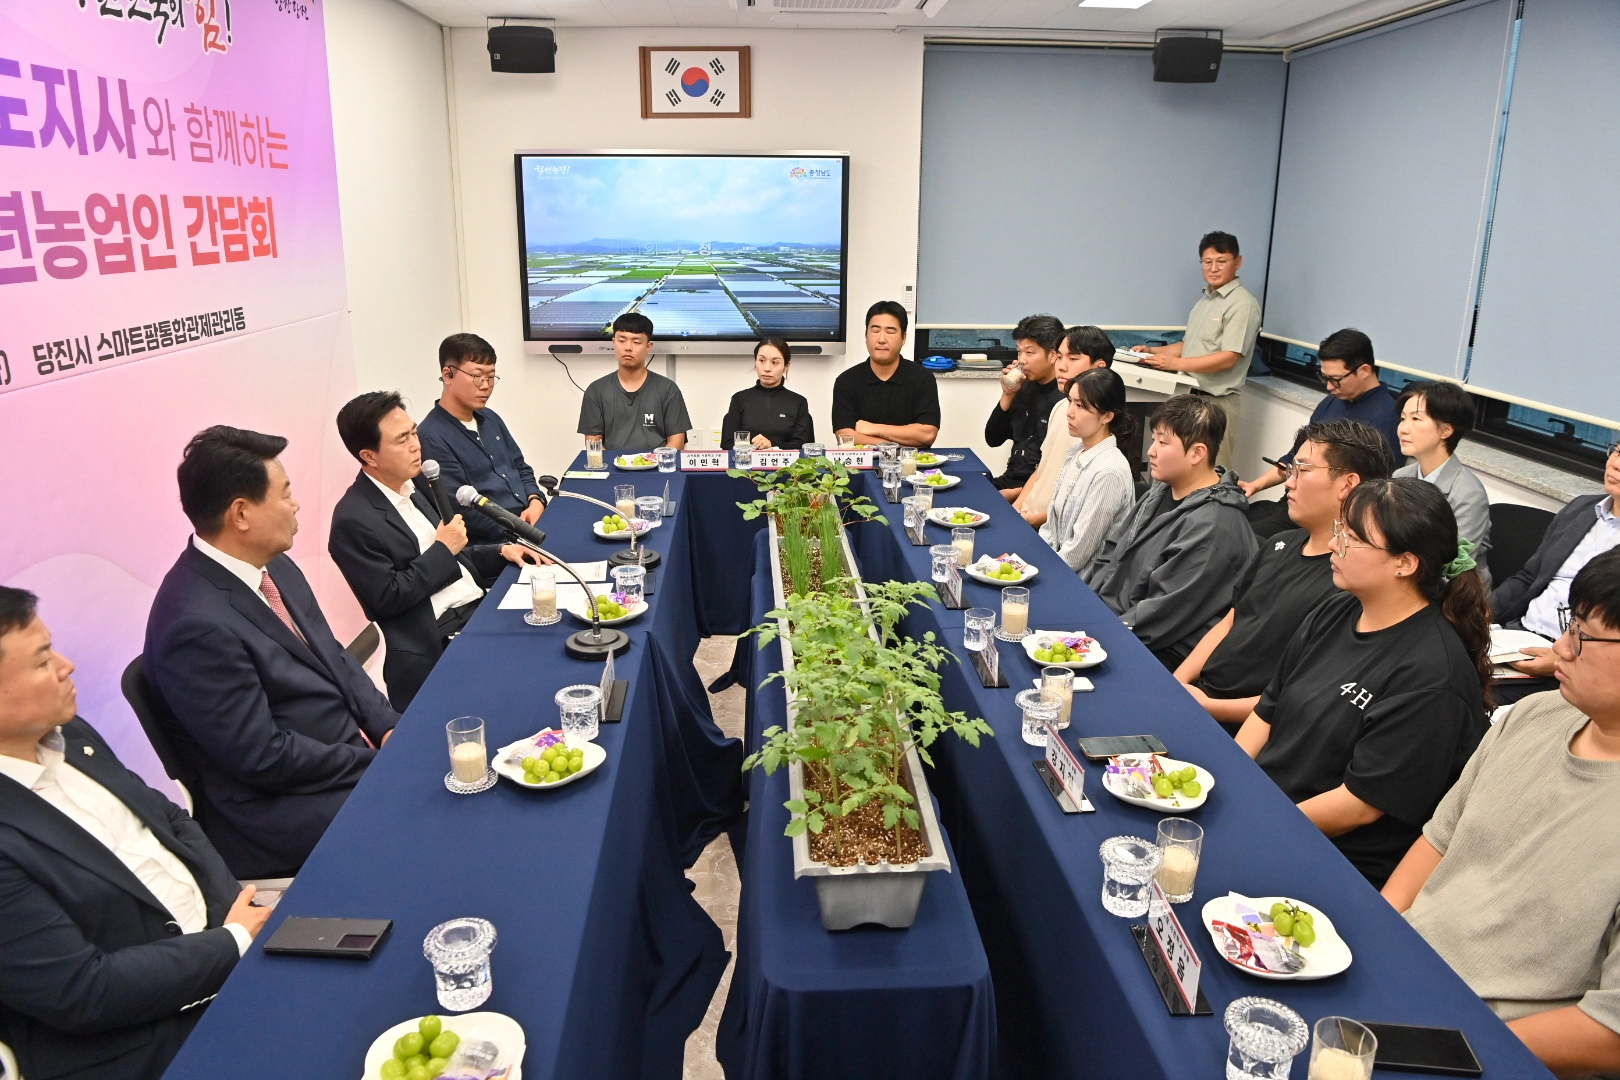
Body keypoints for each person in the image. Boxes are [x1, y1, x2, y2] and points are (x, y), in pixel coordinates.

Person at [0, 587, 271, 1080]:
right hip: (142, 1041)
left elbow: (170, 820)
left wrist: (229, 908)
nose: (66, 666)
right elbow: (83, 990)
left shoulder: (71, 735)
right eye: (42, 662)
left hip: (226, 941)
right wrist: (230, 943)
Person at [1384, 550, 1620, 1078]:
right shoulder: (1534, 715)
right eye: (1569, 624)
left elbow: (1609, 1033)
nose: (1561, 647)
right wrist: (1380, 943)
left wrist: (1452, 1045)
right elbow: (1438, 841)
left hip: (1488, 1043)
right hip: (1404, 978)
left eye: (1583, 635)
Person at [144, 427, 399, 879]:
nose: (295, 505)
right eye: (285, 494)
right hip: (284, 806)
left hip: (341, 760)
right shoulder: (194, 625)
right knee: (431, 806)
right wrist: (379, 764)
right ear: (241, 513)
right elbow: (262, 756)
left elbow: (335, 657)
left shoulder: (272, 564)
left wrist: (389, 729)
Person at [1235, 478, 1492, 887]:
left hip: (1329, 858)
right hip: (1265, 809)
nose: (1336, 546)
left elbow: (1359, 805)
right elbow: (1268, 709)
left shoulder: (1432, 676)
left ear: (1405, 563)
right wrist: (1233, 785)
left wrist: (1256, 822)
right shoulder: (1337, 609)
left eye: (1353, 539)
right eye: (1341, 531)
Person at [329, 392, 537, 712]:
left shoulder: (413, 488)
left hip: (478, 609)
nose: (416, 444)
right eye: (402, 440)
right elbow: (388, 598)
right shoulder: (353, 520)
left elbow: (457, 558)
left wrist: (501, 552)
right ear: (369, 456)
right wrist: (444, 548)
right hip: (440, 638)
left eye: (413, 432)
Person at [1176, 419, 1392, 727]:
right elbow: (1233, 620)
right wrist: (1177, 683)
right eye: (1290, 470)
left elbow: (1300, 691)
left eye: (1302, 470)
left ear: (1348, 484)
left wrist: (1210, 708)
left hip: (1246, 724)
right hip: (1199, 698)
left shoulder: (1350, 580)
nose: (1289, 482)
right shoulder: (1279, 544)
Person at [1083, 394, 1259, 669]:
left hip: (1154, 652)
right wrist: (1084, 607)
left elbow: (1161, 614)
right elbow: (1112, 553)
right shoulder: (1162, 489)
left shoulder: (1213, 526)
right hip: (1113, 622)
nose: (1151, 451)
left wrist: (1093, 634)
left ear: (1198, 453)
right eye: (1154, 439)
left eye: (1163, 442)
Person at [1490, 440, 1620, 702]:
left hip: (1572, 661)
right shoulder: (1581, 509)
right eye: (1617, 451)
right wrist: (1476, 613)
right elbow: (1528, 578)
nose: (1615, 464)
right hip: (1517, 635)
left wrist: (1565, 658)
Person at [1130, 231, 1262, 470]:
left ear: (1237, 262)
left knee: (1212, 473)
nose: (1213, 268)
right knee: (1183, 471)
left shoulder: (1242, 304)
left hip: (1216, 403)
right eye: (1207, 262)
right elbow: (1189, 347)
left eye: (1221, 261)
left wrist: (1174, 365)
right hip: (1189, 398)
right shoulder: (1206, 301)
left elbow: (1229, 358)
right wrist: (1154, 352)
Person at [1239, 328, 1401, 504]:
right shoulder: (1332, 401)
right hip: (1293, 502)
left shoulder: (1386, 419)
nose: (1330, 387)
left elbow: (1375, 489)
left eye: (1336, 379)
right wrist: (1255, 486)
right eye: (1325, 378)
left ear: (1364, 371)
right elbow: (1294, 458)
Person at [417, 333, 548, 546]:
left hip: (532, 524)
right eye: (477, 376)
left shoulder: (490, 418)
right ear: (448, 375)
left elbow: (520, 467)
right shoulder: (431, 437)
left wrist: (536, 500)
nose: (486, 385)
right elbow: (461, 511)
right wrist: (521, 531)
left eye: (491, 377)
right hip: (500, 544)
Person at [1393, 380, 1492, 587]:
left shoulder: (1468, 493)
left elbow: (1455, 567)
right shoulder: (1401, 475)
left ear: (1445, 431)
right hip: (1401, 578)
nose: (1403, 428)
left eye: (1416, 419)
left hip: (1454, 596)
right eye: (1403, 418)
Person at [1015, 325, 1115, 528]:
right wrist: (1015, 507)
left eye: (1073, 358)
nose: (1061, 366)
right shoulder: (1061, 407)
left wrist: (1038, 519)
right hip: (1028, 518)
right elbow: (1042, 469)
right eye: (1059, 357)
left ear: (1099, 367)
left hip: (1049, 527)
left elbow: (1079, 499)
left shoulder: (1096, 422)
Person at [1038, 368, 1136, 572]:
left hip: (1083, 585)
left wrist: (1038, 572)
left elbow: (1077, 553)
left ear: (1107, 416)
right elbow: (1051, 529)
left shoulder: (1108, 472)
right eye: (1070, 401)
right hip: (1057, 566)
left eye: (1081, 405)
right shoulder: (1076, 453)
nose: (1070, 412)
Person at [830, 300, 941, 448]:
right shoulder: (847, 381)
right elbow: (845, 435)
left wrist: (873, 428)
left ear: (904, 338)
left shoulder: (922, 378)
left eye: (890, 332)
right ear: (866, 336)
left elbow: (927, 434)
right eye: (875, 331)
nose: (882, 339)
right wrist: (896, 445)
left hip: (912, 465)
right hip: (862, 466)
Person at [578, 312, 690, 453]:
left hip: (656, 470)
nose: (628, 347)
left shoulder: (667, 389)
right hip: (612, 470)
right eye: (622, 340)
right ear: (614, 342)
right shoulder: (596, 390)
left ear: (649, 346)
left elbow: (676, 442)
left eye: (636, 342)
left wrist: (649, 463)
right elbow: (593, 442)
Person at [987, 314, 1067, 496]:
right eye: (1019, 351)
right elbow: (992, 439)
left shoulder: (1065, 398)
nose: (1022, 360)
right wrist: (1008, 395)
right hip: (1010, 480)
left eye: (1029, 352)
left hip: (1040, 492)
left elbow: (1057, 474)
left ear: (1054, 355)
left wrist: (1019, 496)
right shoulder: (1023, 386)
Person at [721, 339, 814, 450]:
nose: (767, 368)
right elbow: (727, 444)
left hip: (786, 466)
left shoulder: (798, 402)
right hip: (746, 465)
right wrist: (754, 446)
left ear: (786, 366)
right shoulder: (739, 399)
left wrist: (772, 445)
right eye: (762, 360)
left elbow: (803, 445)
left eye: (775, 362)